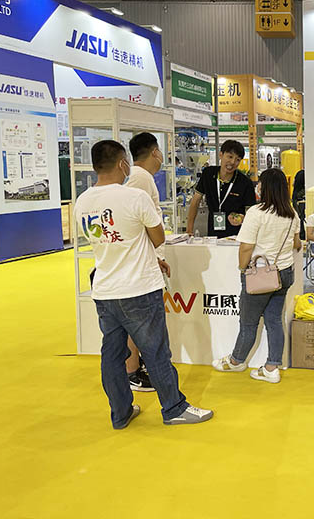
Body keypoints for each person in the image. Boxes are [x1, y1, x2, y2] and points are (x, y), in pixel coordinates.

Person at [74, 140, 213, 428]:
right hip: (138, 289)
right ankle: (174, 408)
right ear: (122, 163)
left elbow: (108, 241)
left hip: (105, 290)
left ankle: (120, 413)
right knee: (156, 351)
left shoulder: (82, 202)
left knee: (113, 356)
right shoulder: (135, 197)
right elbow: (158, 238)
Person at [212, 168, 301, 384]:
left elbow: (246, 248)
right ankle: (271, 367)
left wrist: (243, 269)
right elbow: (297, 243)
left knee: (248, 322)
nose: (257, 186)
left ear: (264, 187)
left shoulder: (256, 212)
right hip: (284, 274)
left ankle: (236, 361)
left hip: (260, 275)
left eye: (260, 183)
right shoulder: (292, 213)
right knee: (274, 321)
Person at [121, 131, 167, 393]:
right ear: (154, 152)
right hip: (140, 264)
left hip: (145, 259)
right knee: (140, 322)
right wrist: (153, 255)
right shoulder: (140, 178)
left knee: (141, 322)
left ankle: (136, 368)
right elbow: (138, 222)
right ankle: (132, 370)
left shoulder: (141, 177)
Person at [186, 140, 256, 237]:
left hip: (236, 236)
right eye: (230, 157)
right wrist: (189, 230)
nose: (233, 162)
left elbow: (251, 212)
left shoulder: (245, 182)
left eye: (237, 160)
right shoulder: (208, 174)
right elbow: (196, 201)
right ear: (221, 155)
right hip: (212, 235)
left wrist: (242, 218)